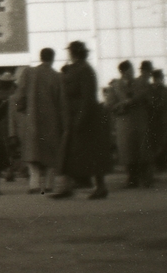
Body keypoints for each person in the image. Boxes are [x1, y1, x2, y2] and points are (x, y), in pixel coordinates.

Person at [52, 41, 110, 200]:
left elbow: (87, 97)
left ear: (74, 52)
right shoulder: (78, 68)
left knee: (89, 154)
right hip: (74, 117)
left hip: (83, 118)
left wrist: (80, 120)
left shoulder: (84, 70)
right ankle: (69, 186)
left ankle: (99, 186)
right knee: (73, 153)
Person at [14, 49, 66, 193]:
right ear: (53, 58)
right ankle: (49, 185)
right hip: (52, 120)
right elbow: (61, 101)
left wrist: (21, 108)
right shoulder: (57, 77)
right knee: (50, 153)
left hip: (32, 119)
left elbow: (20, 95)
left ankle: (34, 184)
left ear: (40, 57)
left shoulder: (29, 73)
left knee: (32, 153)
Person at [105, 60, 151, 187]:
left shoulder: (140, 84)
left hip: (139, 121)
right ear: (123, 72)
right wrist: (121, 106)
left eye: (132, 70)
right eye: (130, 70)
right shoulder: (115, 86)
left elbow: (145, 96)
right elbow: (110, 104)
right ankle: (132, 178)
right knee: (127, 151)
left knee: (142, 149)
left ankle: (145, 178)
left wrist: (131, 101)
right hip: (124, 122)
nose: (132, 73)